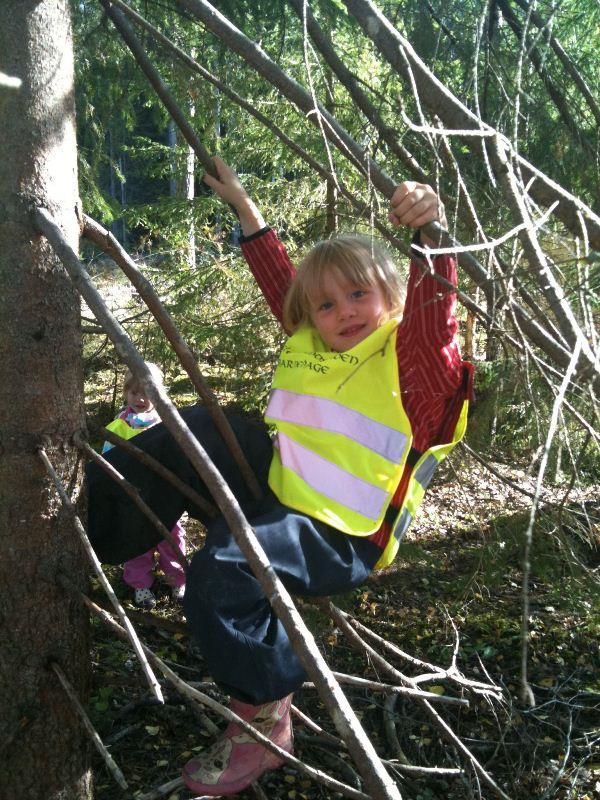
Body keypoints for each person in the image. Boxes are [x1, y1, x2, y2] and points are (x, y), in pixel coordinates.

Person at [85, 158, 473, 797]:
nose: (342, 312)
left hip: (342, 535)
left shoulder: (412, 367)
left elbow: (436, 321)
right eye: (326, 304)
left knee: (224, 570)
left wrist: (433, 238)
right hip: (283, 496)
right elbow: (285, 286)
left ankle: (265, 716)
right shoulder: (314, 341)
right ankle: (87, 528)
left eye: (359, 295)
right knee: (201, 428)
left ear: (392, 297)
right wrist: (245, 210)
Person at [102, 363, 187, 609]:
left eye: (147, 393)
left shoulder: (167, 425)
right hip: (132, 498)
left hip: (165, 496)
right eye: (133, 392)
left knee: (172, 539)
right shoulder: (117, 428)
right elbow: (107, 464)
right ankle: (140, 584)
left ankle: (177, 579)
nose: (140, 399)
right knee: (136, 540)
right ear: (125, 393)